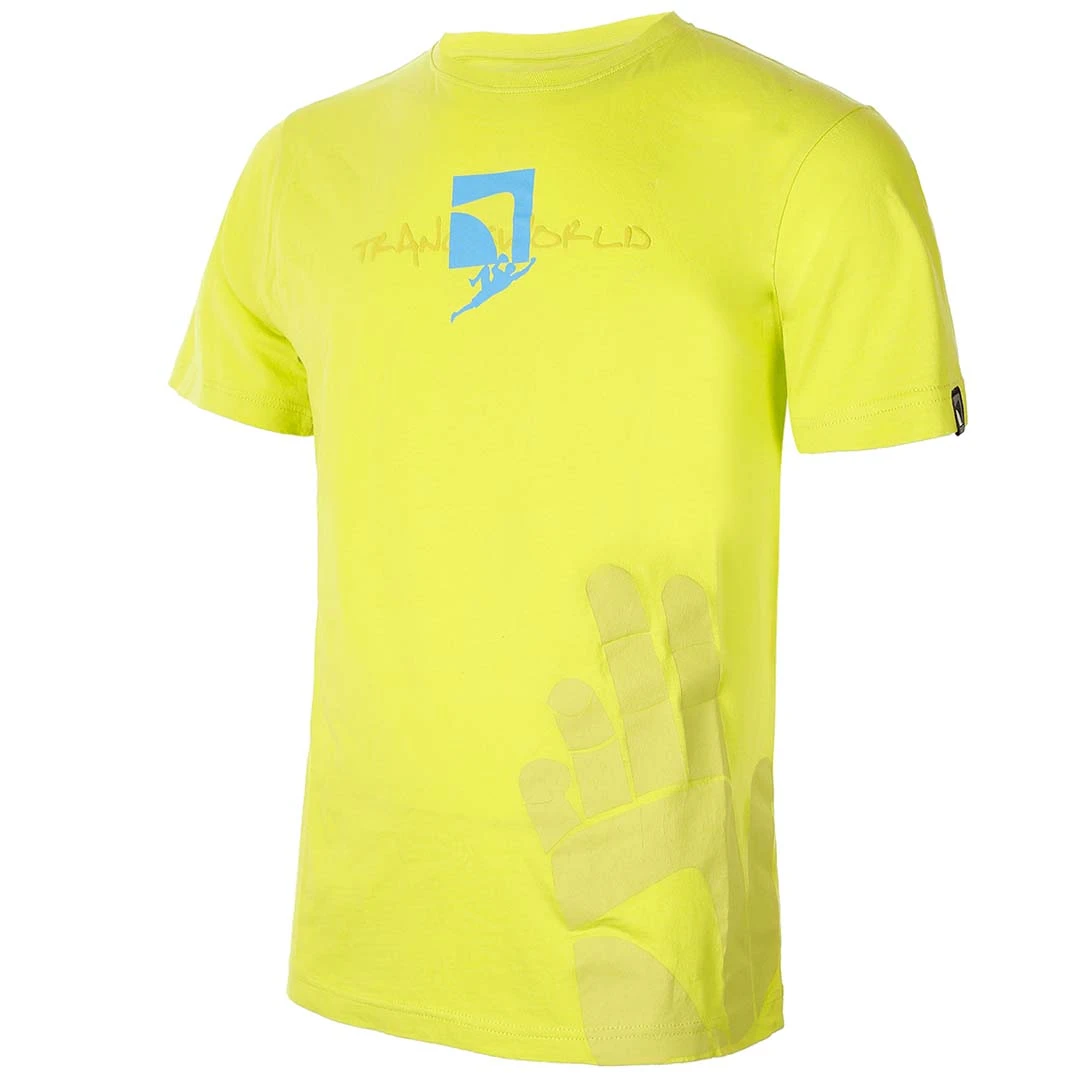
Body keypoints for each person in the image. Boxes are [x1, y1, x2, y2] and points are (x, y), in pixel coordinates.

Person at [451, 253, 536, 322]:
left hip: (487, 292)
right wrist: (500, 261)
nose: (508, 269)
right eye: (508, 268)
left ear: (511, 271)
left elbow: (522, 272)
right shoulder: (502, 274)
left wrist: (531, 264)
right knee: (485, 268)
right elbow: (494, 268)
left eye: (510, 269)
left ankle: (456, 313)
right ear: (506, 268)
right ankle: (474, 281)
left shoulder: (509, 278)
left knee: (472, 304)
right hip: (487, 286)